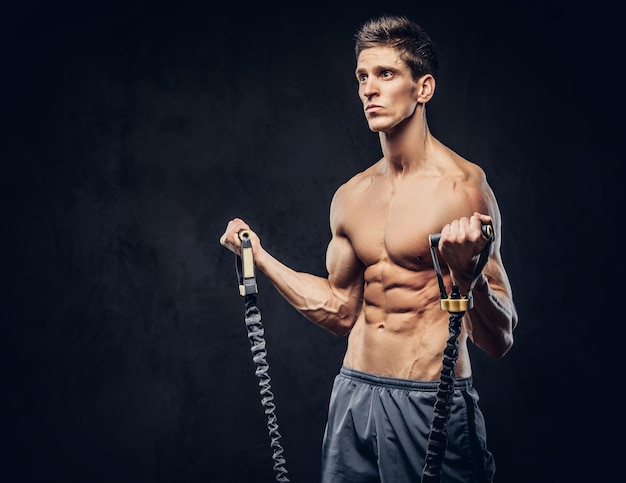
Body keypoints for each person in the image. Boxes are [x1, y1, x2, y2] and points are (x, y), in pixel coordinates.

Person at [220, 14, 518, 483]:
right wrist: (260, 258)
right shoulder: (351, 196)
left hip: (428, 402)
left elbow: (499, 340)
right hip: (353, 396)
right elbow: (341, 309)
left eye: (386, 74)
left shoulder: (463, 189)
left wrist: (469, 278)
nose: (369, 89)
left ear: (423, 89)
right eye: (362, 76)